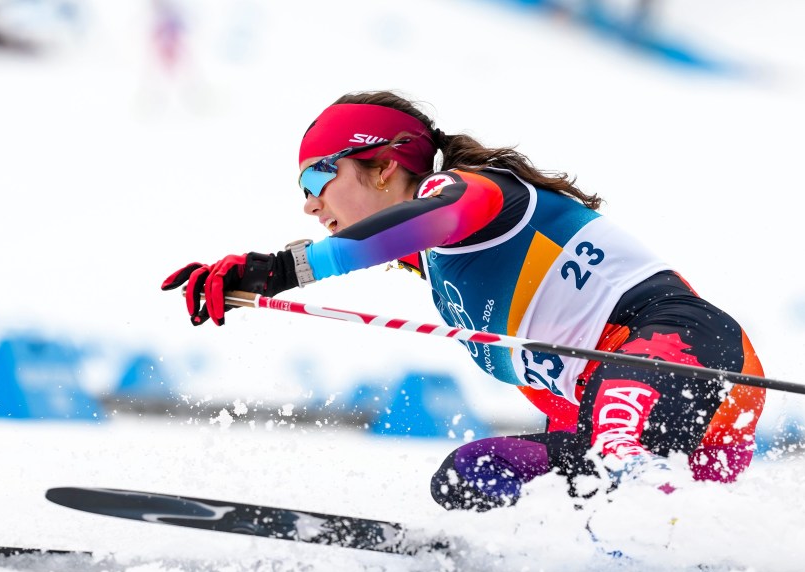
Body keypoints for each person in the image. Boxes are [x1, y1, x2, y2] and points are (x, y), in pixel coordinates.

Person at [162, 90, 766, 511]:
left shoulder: (472, 193)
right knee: (473, 477)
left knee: (618, 467)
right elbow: (396, 241)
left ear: (383, 166)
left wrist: (281, 269)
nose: (309, 203)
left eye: (318, 177)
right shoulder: (431, 258)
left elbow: (426, 219)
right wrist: (249, 281)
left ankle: (659, 516)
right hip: (626, 409)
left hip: (678, 352)